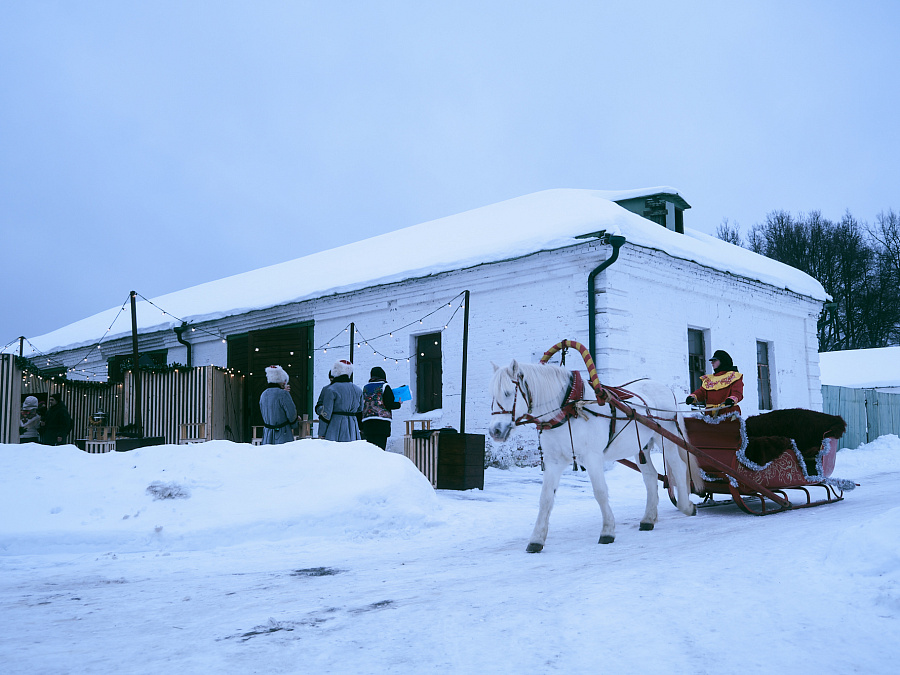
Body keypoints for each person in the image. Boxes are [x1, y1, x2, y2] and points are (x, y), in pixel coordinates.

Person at [685, 349, 744, 415]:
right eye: (712, 361)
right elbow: (702, 392)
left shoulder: (733, 376)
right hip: (710, 415)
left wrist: (732, 400)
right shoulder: (709, 379)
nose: (712, 363)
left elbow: (737, 393)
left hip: (728, 413)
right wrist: (693, 397)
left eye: (715, 361)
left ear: (722, 361)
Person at [319, 359, 364, 442]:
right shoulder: (358, 390)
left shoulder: (331, 389)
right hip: (353, 427)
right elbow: (360, 410)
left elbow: (326, 413)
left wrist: (322, 432)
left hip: (335, 425)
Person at [360, 366, 402, 450]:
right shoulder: (385, 386)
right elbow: (389, 404)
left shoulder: (365, 387)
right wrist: (398, 404)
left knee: (370, 449)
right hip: (382, 422)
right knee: (380, 449)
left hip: (368, 422)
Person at [259, 365, 298, 445]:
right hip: (283, 433)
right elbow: (291, 413)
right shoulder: (283, 394)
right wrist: (294, 424)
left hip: (267, 434)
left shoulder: (263, 394)